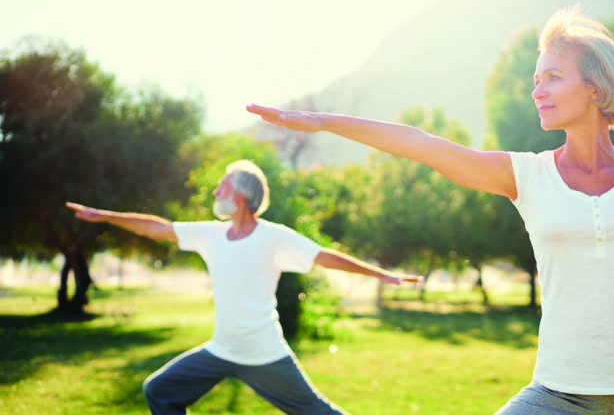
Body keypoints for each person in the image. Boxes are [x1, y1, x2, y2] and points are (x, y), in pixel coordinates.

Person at [245, 7, 614, 415]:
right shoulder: (526, 175)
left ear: (594, 85)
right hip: (563, 391)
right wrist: (320, 120)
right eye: (535, 79)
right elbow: (422, 144)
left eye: (552, 78)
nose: (536, 90)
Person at [66, 159, 419, 415]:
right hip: (221, 350)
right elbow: (158, 228)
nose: (216, 190)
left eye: (223, 185)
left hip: (263, 353)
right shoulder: (211, 234)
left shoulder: (273, 237)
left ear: (240, 196)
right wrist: (107, 216)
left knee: (317, 412)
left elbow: (322, 256)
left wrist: (381, 275)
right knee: (159, 391)